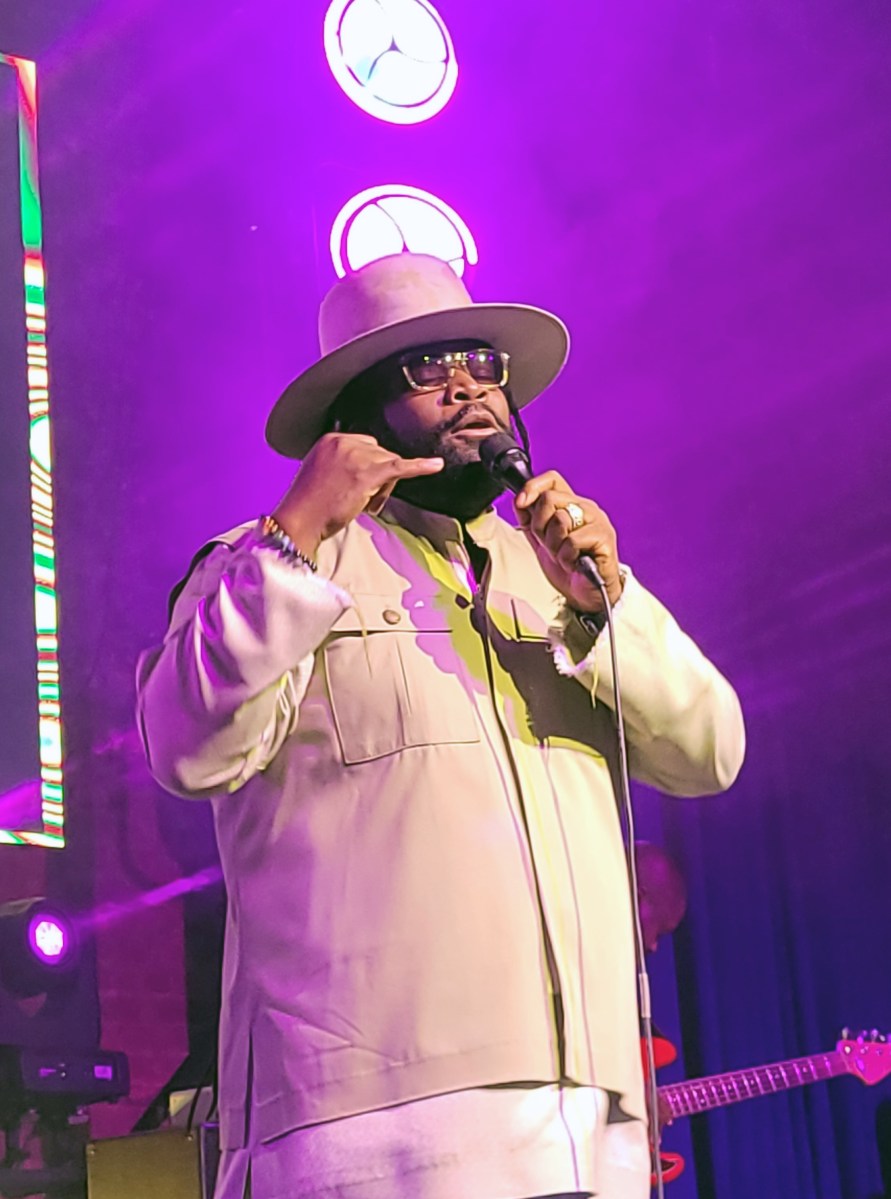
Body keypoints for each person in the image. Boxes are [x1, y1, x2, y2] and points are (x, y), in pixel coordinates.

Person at [136, 252, 745, 1199]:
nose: (468, 385)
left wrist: (604, 605)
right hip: (376, 1128)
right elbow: (184, 745)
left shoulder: (561, 574)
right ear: (356, 412)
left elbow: (712, 751)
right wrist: (297, 531)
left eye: (481, 362)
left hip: (588, 1118)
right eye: (428, 368)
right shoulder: (273, 564)